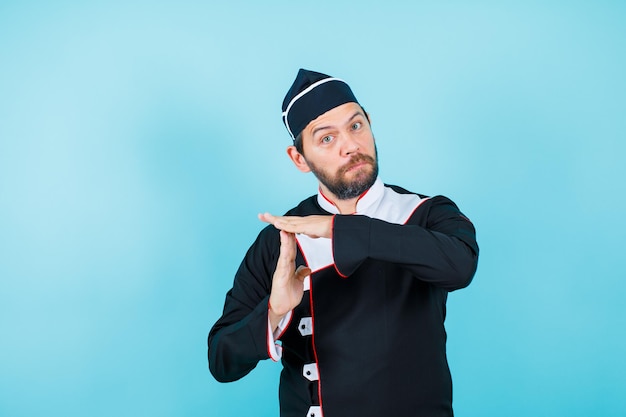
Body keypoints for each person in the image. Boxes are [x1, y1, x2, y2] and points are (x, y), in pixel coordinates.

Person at [208, 69, 479, 417]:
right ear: (299, 159)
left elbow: (460, 266)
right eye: (326, 139)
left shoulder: (426, 213)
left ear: (370, 123)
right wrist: (275, 311)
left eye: (355, 126)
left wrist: (343, 231)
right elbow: (221, 359)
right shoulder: (281, 242)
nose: (350, 146)